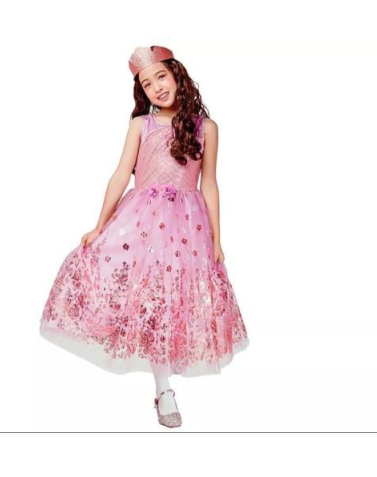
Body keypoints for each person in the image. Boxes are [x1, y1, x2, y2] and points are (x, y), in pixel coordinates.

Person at [39, 45, 250, 428]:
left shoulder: (207, 128)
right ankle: (163, 388)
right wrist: (100, 225)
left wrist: (217, 239)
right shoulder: (141, 124)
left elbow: (209, 184)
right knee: (148, 296)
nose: (156, 88)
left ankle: (163, 385)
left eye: (161, 77)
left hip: (187, 227)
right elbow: (122, 174)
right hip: (142, 220)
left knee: (171, 301)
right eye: (147, 84)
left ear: (177, 75)